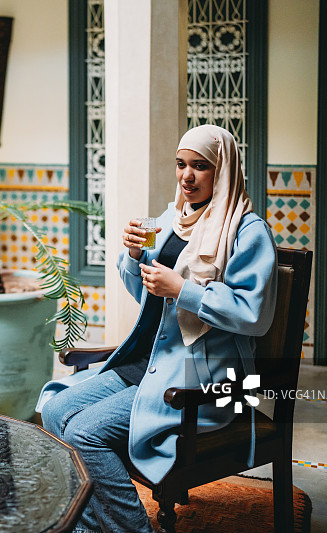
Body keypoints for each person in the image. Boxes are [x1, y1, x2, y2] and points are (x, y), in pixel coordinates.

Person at [38, 124, 277, 532]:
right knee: (56, 409)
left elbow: (253, 315)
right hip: (147, 361)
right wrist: (132, 255)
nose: (187, 176)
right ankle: (93, 525)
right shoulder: (170, 217)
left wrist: (183, 289)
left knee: (85, 432)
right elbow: (146, 293)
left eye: (200, 166)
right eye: (181, 165)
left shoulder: (247, 230)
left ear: (224, 170)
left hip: (198, 379)